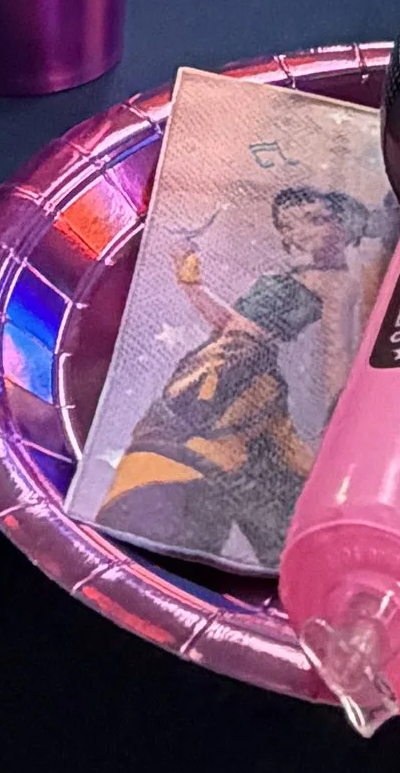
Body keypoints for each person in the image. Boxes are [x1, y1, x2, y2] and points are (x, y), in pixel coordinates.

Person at [97, 187, 382, 567]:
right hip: (220, 374)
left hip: (246, 388)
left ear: (346, 226)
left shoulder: (336, 284)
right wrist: (190, 282)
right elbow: (233, 327)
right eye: (288, 225)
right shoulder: (291, 281)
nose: (298, 234)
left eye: (315, 220)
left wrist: (337, 419)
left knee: (226, 483)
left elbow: (336, 350)